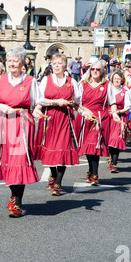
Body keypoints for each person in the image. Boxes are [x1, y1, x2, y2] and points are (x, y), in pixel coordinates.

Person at [0, 46, 43, 218]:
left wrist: (38, 111)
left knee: (20, 162)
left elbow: (37, 103)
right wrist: (1, 106)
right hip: (5, 123)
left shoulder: (30, 81)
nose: (12, 64)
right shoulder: (0, 80)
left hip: (23, 123)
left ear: (23, 62)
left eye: (15, 61)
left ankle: (17, 202)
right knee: (8, 162)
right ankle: (13, 194)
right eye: (9, 60)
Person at [33, 53, 80, 196]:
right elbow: (39, 100)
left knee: (62, 151)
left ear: (65, 66)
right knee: (50, 151)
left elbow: (77, 101)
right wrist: (55, 102)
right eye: (54, 63)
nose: (57, 66)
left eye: (59, 63)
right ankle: (53, 173)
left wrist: (85, 113)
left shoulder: (71, 82)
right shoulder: (46, 80)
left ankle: (58, 183)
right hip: (49, 119)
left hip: (65, 119)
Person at [74, 59, 120, 186]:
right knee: (88, 148)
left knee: (95, 146)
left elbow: (113, 103)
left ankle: (95, 174)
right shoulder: (82, 84)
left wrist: (115, 114)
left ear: (102, 71)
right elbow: (76, 103)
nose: (95, 71)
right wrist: (84, 111)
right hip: (85, 117)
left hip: (100, 118)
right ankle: (90, 170)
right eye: (92, 69)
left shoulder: (107, 85)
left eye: (97, 69)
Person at [107, 70, 131, 173]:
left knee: (116, 140)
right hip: (108, 117)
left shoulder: (125, 92)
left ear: (122, 80)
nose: (116, 80)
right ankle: (111, 157)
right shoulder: (108, 90)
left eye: (118, 78)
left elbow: (128, 107)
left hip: (120, 118)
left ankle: (113, 163)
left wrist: (118, 112)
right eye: (115, 78)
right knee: (109, 140)